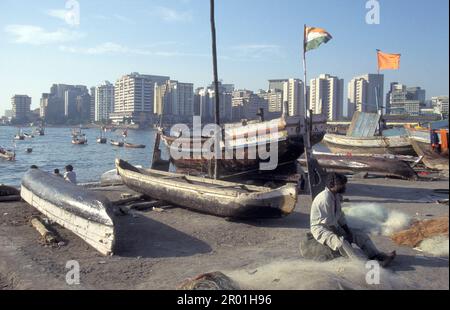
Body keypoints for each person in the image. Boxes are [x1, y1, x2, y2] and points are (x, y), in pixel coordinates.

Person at [310, 173, 396, 267]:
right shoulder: (324, 198)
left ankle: (376, 255)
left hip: (333, 225)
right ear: (331, 185)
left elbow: (340, 216)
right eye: (341, 184)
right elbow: (329, 223)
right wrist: (342, 236)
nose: (344, 186)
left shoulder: (336, 196)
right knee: (341, 243)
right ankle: (365, 264)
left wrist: (348, 232)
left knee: (359, 234)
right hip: (321, 229)